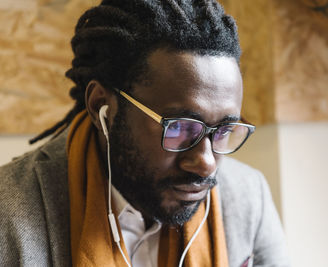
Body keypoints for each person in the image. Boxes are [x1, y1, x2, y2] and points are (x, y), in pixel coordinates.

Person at [0, 0, 290, 266]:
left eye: (223, 130)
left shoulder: (250, 196)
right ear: (102, 106)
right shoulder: (8, 212)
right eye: (179, 127)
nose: (206, 163)